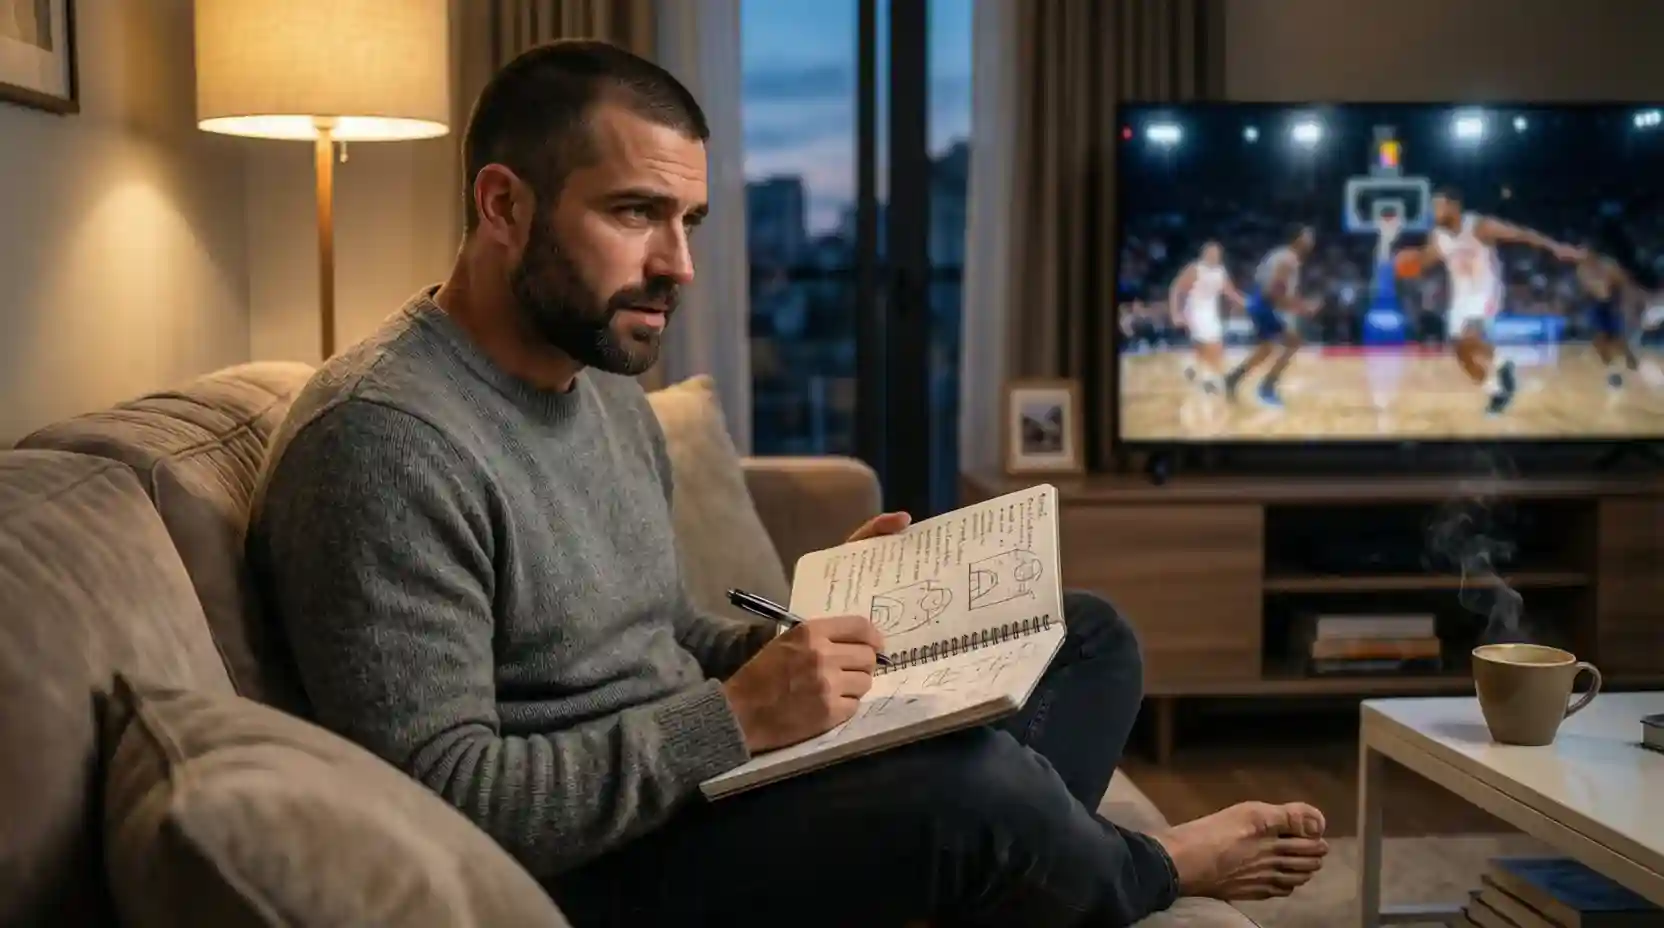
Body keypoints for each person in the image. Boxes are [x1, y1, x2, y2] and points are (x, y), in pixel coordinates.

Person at [246, 39, 1330, 927]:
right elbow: (446, 800)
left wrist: (808, 634)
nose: (678, 263)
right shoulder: (384, 441)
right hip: (598, 872)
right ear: (502, 205)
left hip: (701, 785)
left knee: (1085, 633)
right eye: (635, 214)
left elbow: (655, 633)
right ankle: (1143, 870)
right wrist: (734, 719)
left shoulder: (599, 381)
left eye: (690, 222)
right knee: (972, 788)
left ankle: (1008, 875)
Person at [1397, 187, 1583, 415]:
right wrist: (1408, 264)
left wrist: (1556, 247)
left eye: (1439, 205)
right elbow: (1424, 261)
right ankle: (1495, 391)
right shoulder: (1437, 236)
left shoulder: (1479, 226)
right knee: (1461, 352)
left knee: (1469, 337)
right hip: (1461, 298)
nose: (1434, 211)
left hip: (1487, 291)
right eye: (1433, 206)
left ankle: (1504, 362)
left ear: (1454, 207)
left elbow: (1521, 234)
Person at [1223, 226, 1318, 408]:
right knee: (1293, 342)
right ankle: (1266, 389)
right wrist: (1302, 307)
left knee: (1266, 349)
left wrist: (1297, 305)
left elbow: (1275, 291)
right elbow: (1273, 293)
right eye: (1308, 237)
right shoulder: (1288, 260)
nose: (1311, 242)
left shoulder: (1284, 255)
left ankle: (1232, 379)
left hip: (1261, 303)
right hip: (1264, 305)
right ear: (1296, 239)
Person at [1169, 241, 1246, 394]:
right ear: (1204, 254)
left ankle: (1191, 367)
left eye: (1217, 253)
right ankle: (1208, 380)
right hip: (1194, 310)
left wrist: (1246, 303)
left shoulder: (1220, 271)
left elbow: (1230, 292)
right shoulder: (1195, 268)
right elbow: (1176, 288)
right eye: (1211, 252)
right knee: (1212, 345)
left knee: (1208, 346)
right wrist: (1175, 313)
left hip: (1211, 312)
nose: (1214, 256)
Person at [1576, 248, 1641, 389]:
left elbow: (1622, 283)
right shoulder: (1582, 270)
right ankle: (1613, 371)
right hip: (1598, 306)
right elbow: (1588, 289)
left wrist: (1625, 304)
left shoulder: (1609, 266)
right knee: (1601, 341)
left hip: (1611, 305)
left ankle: (1629, 360)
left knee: (1618, 339)